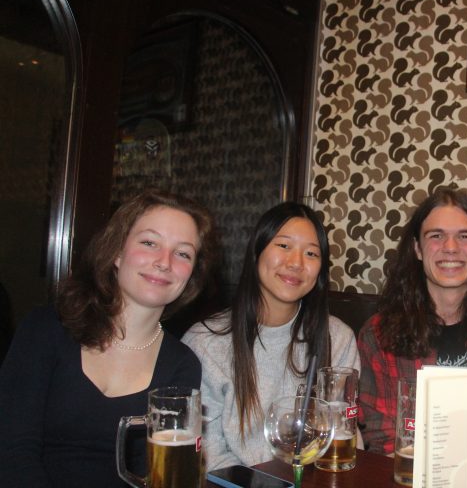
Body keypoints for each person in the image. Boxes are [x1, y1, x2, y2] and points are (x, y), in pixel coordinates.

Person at [0, 189, 217, 488]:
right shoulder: (46, 329)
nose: (164, 262)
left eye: (182, 253)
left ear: (191, 273)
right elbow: (12, 451)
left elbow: (155, 474)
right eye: (149, 243)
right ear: (116, 252)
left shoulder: (182, 363)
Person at [182, 202, 360, 469]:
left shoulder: (338, 337)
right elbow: (208, 454)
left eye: (311, 253)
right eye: (284, 246)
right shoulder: (206, 343)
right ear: (257, 251)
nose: (296, 263)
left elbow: (345, 435)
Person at [357, 187, 467, 454]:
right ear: (417, 249)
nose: (451, 248)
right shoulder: (378, 335)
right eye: (436, 236)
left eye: (464, 236)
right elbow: (382, 438)